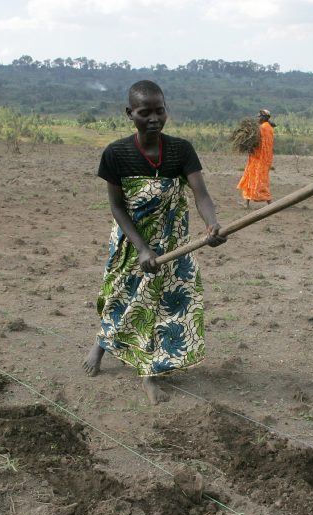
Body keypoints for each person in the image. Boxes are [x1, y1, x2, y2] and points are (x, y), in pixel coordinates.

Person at [82, 80, 226, 405]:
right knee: (125, 299)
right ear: (129, 113)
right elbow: (117, 206)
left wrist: (212, 224)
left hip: (174, 243)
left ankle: (151, 371)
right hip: (132, 242)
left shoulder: (181, 150)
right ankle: (102, 346)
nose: (154, 118)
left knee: (165, 305)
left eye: (160, 110)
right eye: (144, 112)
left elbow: (201, 195)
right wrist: (143, 248)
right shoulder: (116, 154)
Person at [237, 109, 275, 208]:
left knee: (261, 180)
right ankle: (246, 203)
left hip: (260, 159)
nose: (257, 118)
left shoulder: (264, 128)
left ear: (263, 118)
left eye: (259, 117)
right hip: (258, 158)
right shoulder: (268, 127)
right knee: (250, 178)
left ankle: (270, 203)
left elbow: (254, 137)